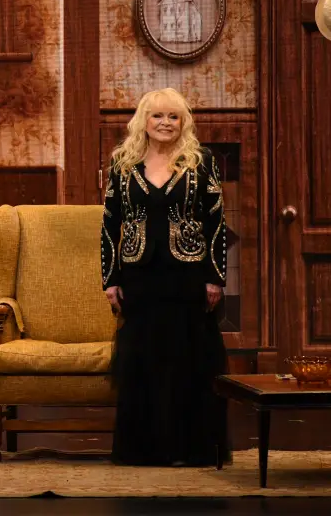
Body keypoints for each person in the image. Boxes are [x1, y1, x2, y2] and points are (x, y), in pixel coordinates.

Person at [101, 88, 228, 467]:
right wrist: (110, 279)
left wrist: (215, 278)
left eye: (173, 117)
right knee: (143, 361)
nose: (166, 124)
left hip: (188, 276)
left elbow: (217, 222)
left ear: (184, 121)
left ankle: (190, 449)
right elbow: (109, 225)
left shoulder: (201, 161)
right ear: (144, 120)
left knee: (186, 361)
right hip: (138, 276)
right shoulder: (122, 163)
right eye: (158, 116)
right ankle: (143, 450)